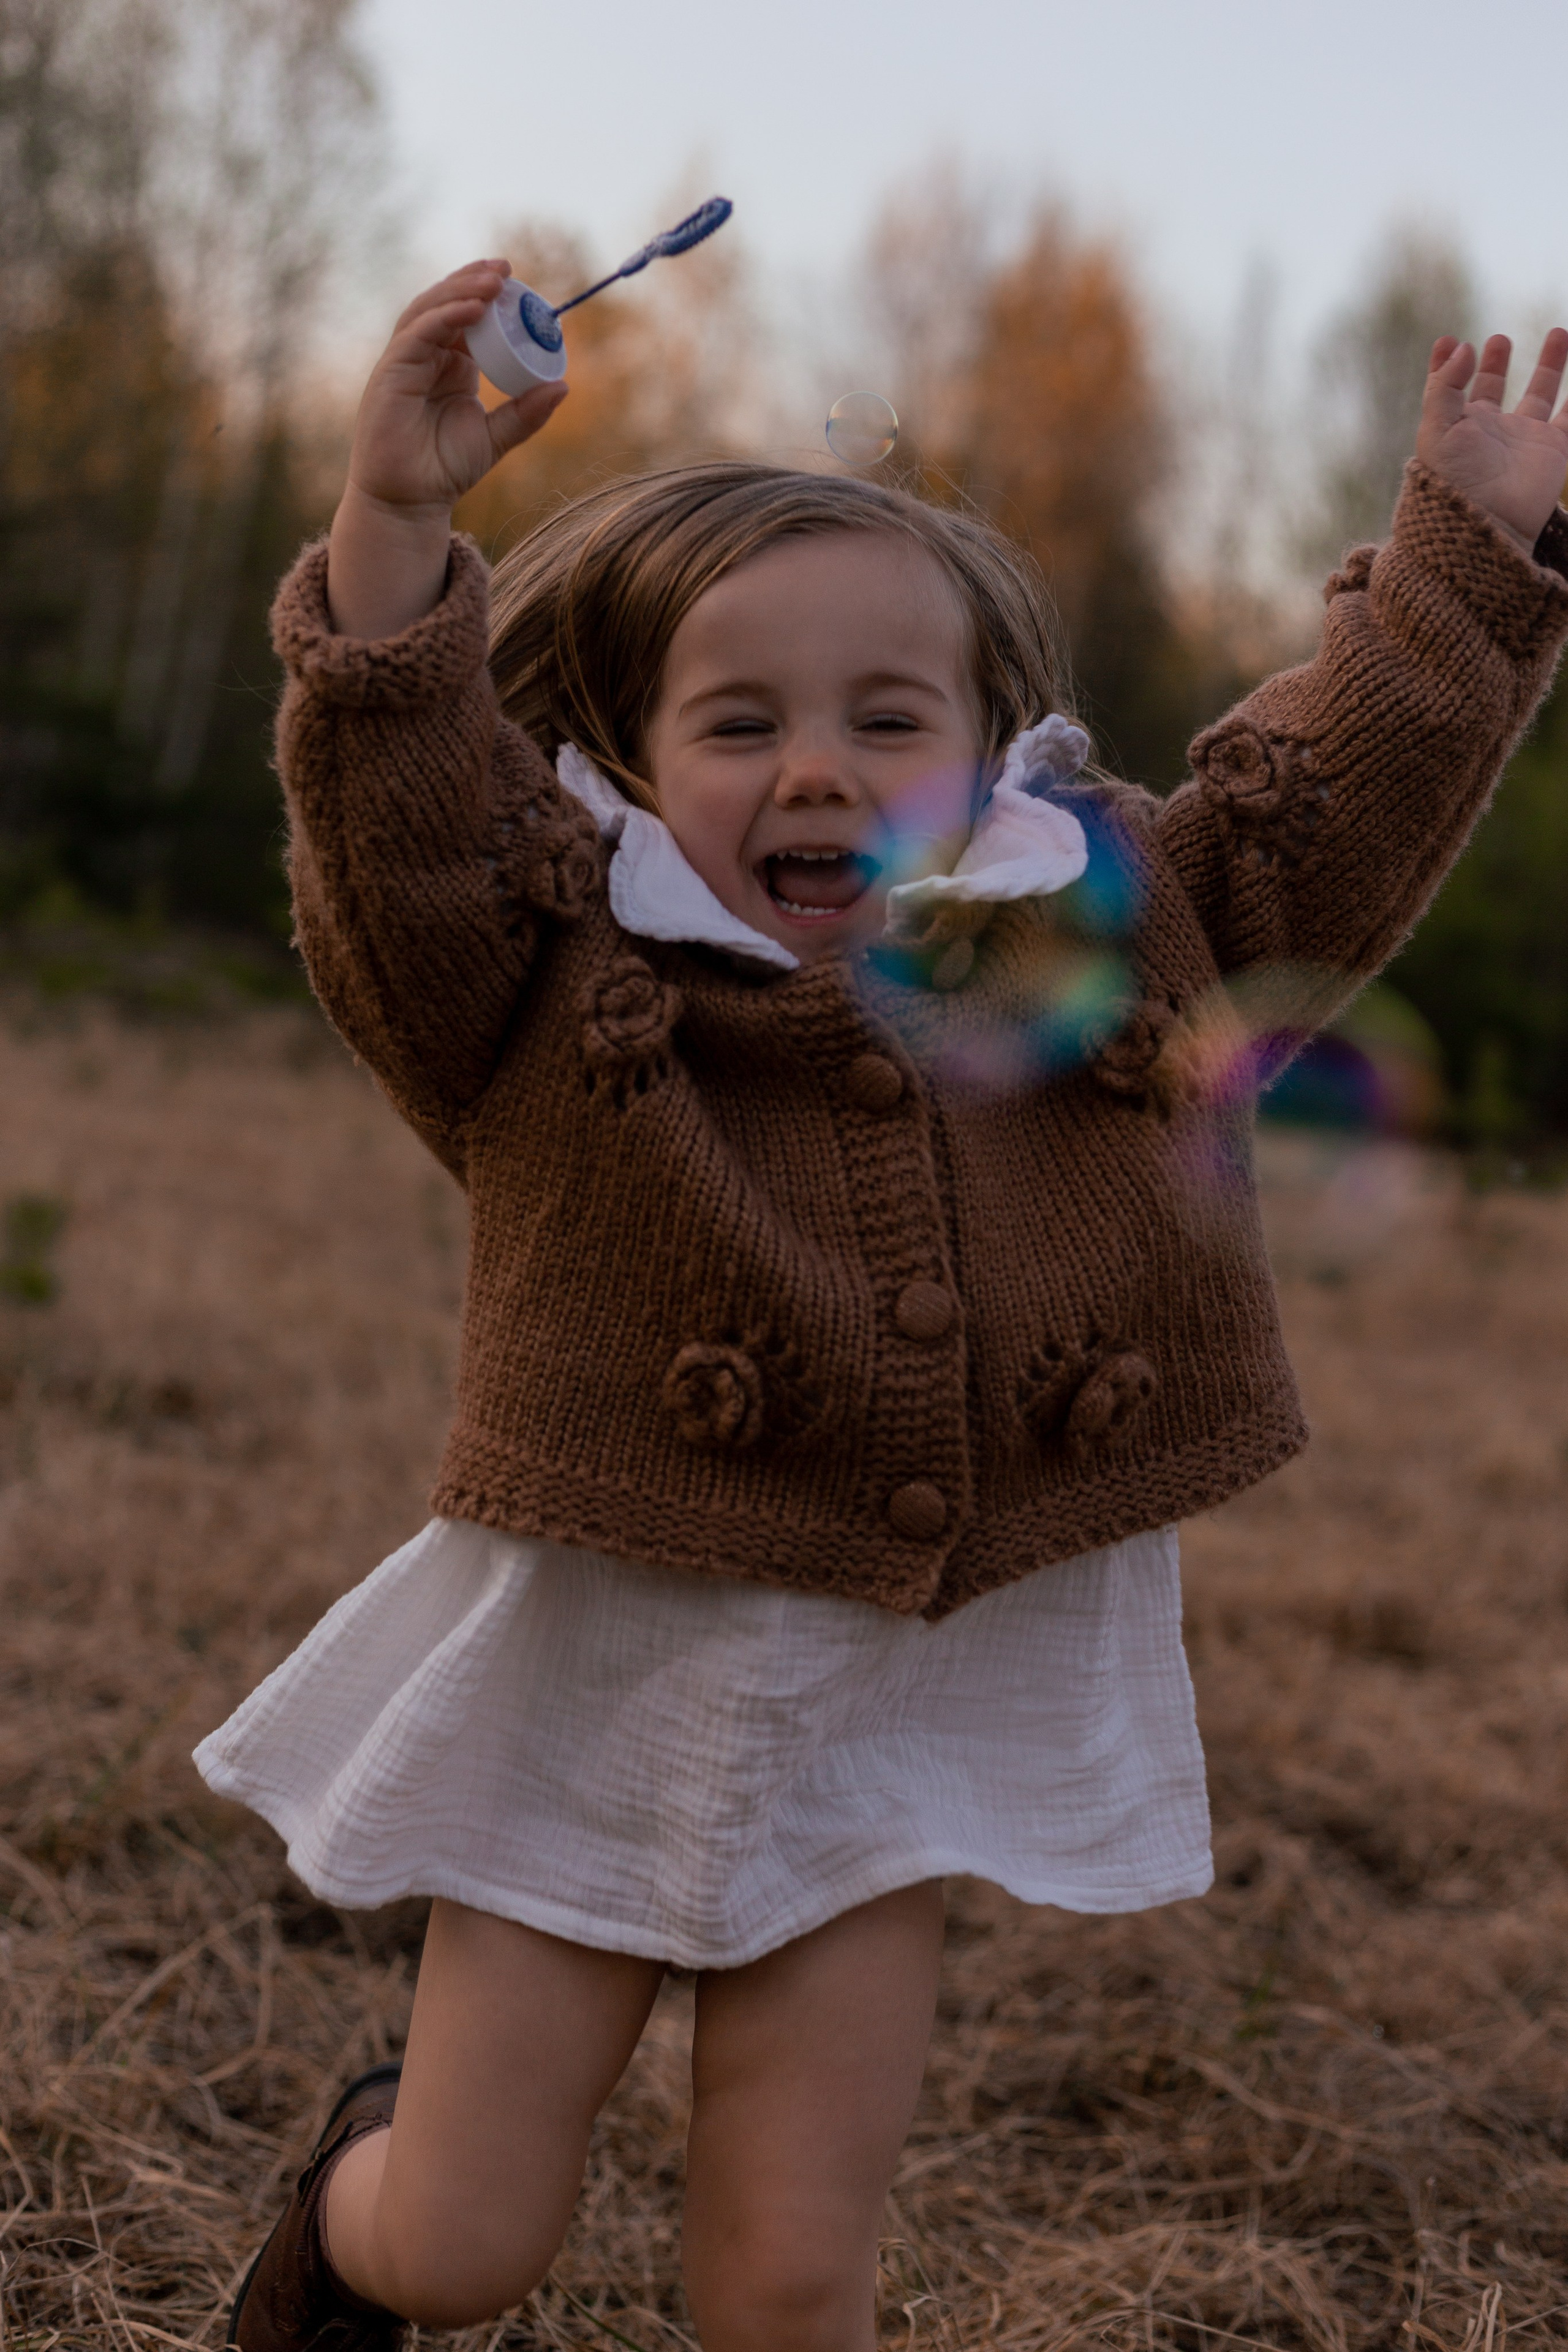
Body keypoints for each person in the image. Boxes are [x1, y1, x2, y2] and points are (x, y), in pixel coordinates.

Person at [196, 258, 1568, 2352]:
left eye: (888, 719)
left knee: (788, 2282)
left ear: (991, 752)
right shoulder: (542, 973)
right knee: (465, 2244)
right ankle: (346, 2219)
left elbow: (1323, 813)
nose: (818, 768)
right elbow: (399, 826)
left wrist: (1473, 566)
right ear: (640, 760)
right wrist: (393, 530)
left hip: (892, 1712)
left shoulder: (1096, 947)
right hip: (598, 1679)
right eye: (741, 723)